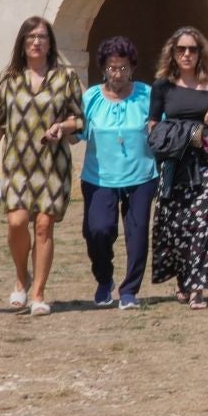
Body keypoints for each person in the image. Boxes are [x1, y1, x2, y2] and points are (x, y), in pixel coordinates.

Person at [0, 15, 84, 317]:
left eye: (42, 37)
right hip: (17, 164)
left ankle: (38, 293)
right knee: (17, 223)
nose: (36, 42)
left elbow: (80, 119)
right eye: (31, 37)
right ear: (22, 43)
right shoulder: (8, 78)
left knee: (44, 226)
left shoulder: (65, 77)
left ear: (50, 43)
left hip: (52, 163)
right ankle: (22, 277)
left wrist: (63, 126)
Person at [147, 26, 208, 308]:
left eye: (193, 49)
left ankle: (197, 286)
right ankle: (183, 281)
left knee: (203, 223)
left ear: (201, 53)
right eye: (181, 49)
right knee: (176, 223)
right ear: (172, 53)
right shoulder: (163, 85)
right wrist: (176, 135)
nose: (187, 54)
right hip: (175, 164)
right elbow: (152, 125)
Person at [79, 36, 155, 309]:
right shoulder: (91, 98)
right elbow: (78, 132)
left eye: (123, 67)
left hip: (141, 176)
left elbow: (162, 127)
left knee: (137, 235)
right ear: (104, 69)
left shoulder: (147, 95)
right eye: (112, 68)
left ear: (132, 68)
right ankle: (104, 278)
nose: (118, 74)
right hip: (99, 178)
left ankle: (129, 291)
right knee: (97, 230)